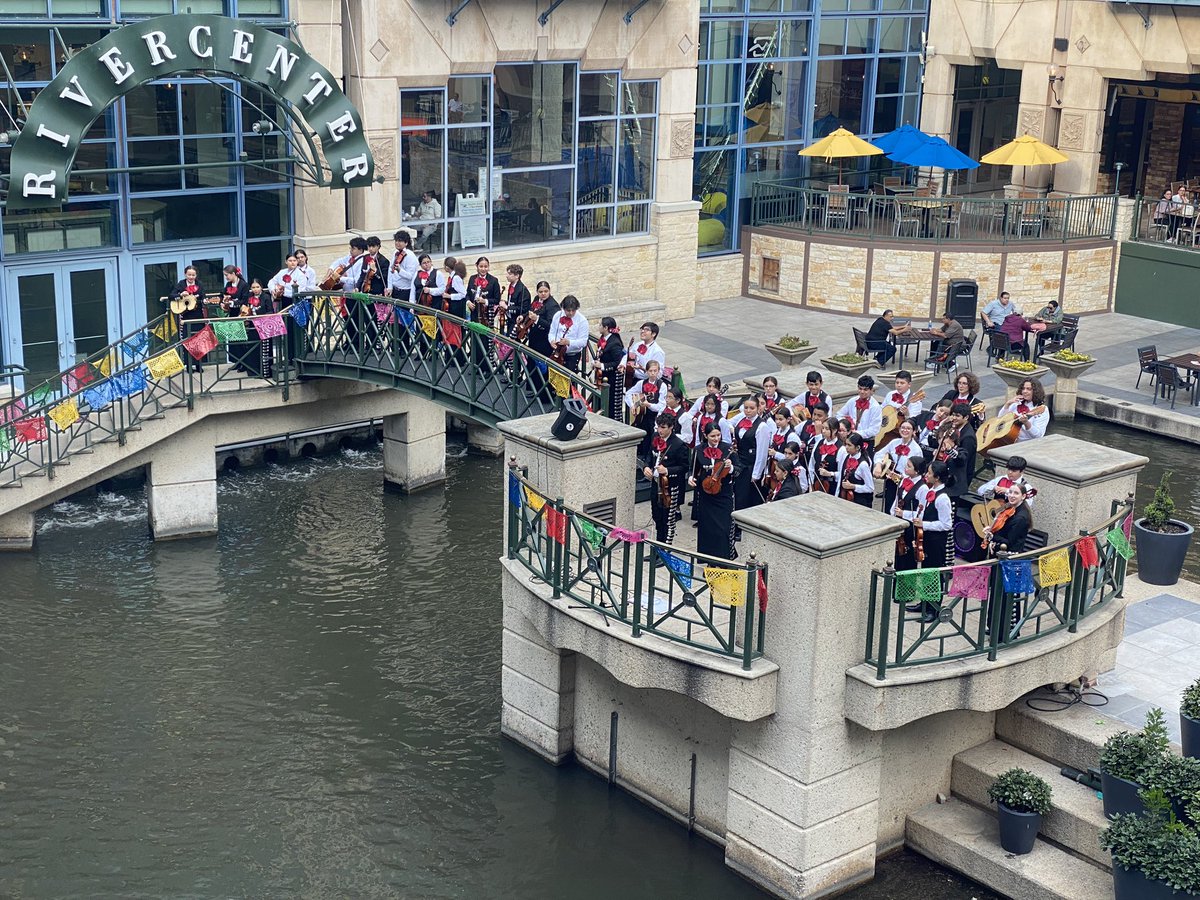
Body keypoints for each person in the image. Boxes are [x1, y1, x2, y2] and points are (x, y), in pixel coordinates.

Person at [913, 461, 955, 621]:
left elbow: (946, 524)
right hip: (928, 538)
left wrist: (924, 524)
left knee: (933, 573)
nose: (926, 475)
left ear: (937, 477)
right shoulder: (932, 492)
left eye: (929, 473)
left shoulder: (942, 498)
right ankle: (924, 603)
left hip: (937, 541)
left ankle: (933, 608)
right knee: (925, 571)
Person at [690, 422, 736, 560]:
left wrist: (731, 467)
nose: (716, 439)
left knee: (723, 529)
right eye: (712, 436)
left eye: (718, 435)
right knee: (707, 529)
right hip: (706, 494)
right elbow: (693, 469)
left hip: (723, 494)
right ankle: (709, 561)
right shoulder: (698, 450)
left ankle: (724, 560)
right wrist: (691, 478)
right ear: (705, 436)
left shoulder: (728, 449)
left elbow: (739, 469)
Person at [642, 414, 689, 544]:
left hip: (670, 487)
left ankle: (665, 548)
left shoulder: (679, 445)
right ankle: (658, 544)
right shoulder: (655, 437)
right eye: (658, 427)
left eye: (663, 427)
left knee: (667, 519)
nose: (660, 431)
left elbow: (684, 467)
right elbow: (649, 456)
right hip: (655, 484)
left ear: (671, 427)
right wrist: (646, 467)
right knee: (657, 515)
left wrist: (667, 470)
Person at [730, 395, 770, 515]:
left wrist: (756, 474)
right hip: (739, 464)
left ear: (758, 409)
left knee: (745, 498)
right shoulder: (742, 420)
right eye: (746, 408)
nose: (748, 410)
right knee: (737, 495)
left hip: (750, 466)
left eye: (751, 408)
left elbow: (762, 453)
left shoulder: (762, 426)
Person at [875, 418, 924, 514]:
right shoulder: (894, 442)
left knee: (897, 508)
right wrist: (878, 465)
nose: (905, 430)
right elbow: (879, 454)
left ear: (914, 431)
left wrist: (901, 477)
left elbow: (917, 472)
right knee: (887, 505)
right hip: (890, 479)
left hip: (904, 482)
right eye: (903, 427)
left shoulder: (916, 450)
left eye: (908, 428)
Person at [891, 456, 929, 572]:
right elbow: (897, 500)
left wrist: (904, 513)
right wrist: (892, 514)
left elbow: (921, 512)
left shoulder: (923, 488)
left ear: (917, 471)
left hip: (910, 527)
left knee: (907, 558)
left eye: (909, 466)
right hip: (898, 522)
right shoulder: (903, 480)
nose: (905, 468)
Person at [168, 265, 207, 372]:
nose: (191, 277)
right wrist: (181, 295)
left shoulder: (200, 284)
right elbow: (171, 295)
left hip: (197, 315)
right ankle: (189, 366)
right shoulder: (181, 284)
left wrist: (204, 301)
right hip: (185, 316)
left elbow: (203, 296)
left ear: (196, 275)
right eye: (189, 275)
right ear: (185, 274)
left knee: (199, 341)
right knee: (187, 340)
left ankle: (199, 365)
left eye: (193, 275)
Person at [625, 359, 667, 457]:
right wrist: (632, 405)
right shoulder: (641, 383)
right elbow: (628, 393)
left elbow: (662, 406)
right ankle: (642, 456)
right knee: (643, 436)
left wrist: (649, 405)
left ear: (658, 371)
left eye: (655, 371)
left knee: (653, 438)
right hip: (643, 416)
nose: (653, 373)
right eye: (650, 371)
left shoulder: (662, 386)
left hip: (655, 417)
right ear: (647, 372)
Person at [983, 483, 1033, 555]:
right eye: (1010, 492)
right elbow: (1004, 527)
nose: (1012, 495)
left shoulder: (1021, 518)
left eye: (1016, 493)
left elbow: (1009, 542)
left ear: (1023, 496)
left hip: (1009, 556)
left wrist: (992, 536)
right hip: (1000, 551)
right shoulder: (1011, 508)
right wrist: (991, 528)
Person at [836, 375, 883, 450]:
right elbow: (839, 414)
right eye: (860, 388)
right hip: (849, 439)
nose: (862, 392)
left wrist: (857, 433)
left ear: (871, 390)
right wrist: (845, 425)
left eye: (865, 389)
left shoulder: (875, 407)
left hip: (866, 441)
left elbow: (874, 430)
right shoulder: (852, 401)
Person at [997, 379, 1051, 443]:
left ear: (1036, 391)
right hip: (1007, 440)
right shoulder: (1016, 403)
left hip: (1026, 446)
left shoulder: (1042, 410)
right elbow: (1000, 420)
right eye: (1023, 388)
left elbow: (1038, 435)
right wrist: (1008, 404)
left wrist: (1026, 423)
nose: (1024, 391)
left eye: (1029, 389)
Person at [593, 317, 626, 420]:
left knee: (610, 402)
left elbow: (617, 362)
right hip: (602, 376)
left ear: (606, 328)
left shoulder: (615, 343)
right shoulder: (603, 338)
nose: (598, 327)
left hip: (612, 377)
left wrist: (602, 366)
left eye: (600, 325)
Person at [548, 295, 589, 373]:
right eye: (568, 310)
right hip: (556, 353)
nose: (571, 313)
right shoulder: (557, 315)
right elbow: (552, 332)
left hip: (572, 355)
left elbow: (583, 341)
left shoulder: (582, 320)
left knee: (569, 381)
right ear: (563, 308)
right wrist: (552, 340)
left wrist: (569, 342)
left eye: (573, 310)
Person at [836, 433, 874, 506]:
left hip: (860, 502)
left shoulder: (863, 464)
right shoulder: (846, 457)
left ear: (857, 447)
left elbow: (870, 488)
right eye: (846, 444)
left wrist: (853, 486)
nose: (846, 447)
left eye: (849, 445)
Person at [946, 401, 978, 485]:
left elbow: (964, 460)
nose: (953, 418)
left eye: (957, 416)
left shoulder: (968, 437)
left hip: (959, 478)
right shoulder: (953, 427)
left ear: (966, 417)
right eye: (953, 415)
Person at [467, 256, 502, 328]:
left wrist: (484, 301)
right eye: (481, 266)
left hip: (487, 316)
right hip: (474, 313)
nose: (483, 269)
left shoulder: (494, 280)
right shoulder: (472, 278)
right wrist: (468, 302)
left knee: (485, 337)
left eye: (486, 267)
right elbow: (467, 294)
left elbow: (497, 300)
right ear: (477, 266)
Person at [809, 417, 841, 495]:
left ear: (835, 430)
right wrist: (810, 485)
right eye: (822, 428)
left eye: (827, 429)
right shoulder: (819, 443)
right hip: (817, 484)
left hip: (832, 487)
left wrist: (830, 474)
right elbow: (811, 466)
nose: (823, 431)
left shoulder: (841, 449)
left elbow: (842, 472)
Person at [386, 231, 419, 303]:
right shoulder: (395, 252)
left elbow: (411, 276)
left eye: (400, 241)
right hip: (395, 289)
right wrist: (390, 287)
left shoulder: (410, 256)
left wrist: (400, 270)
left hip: (405, 291)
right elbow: (390, 270)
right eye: (396, 240)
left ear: (406, 243)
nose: (397, 243)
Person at [499, 264, 531, 336]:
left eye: (510, 274)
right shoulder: (512, 286)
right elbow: (513, 302)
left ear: (517, 276)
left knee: (510, 344)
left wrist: (507, 307)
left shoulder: (523, 290)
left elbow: (523, 309)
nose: (507, 275)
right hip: (510, 320)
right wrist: (506, 303)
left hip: (517, 322)